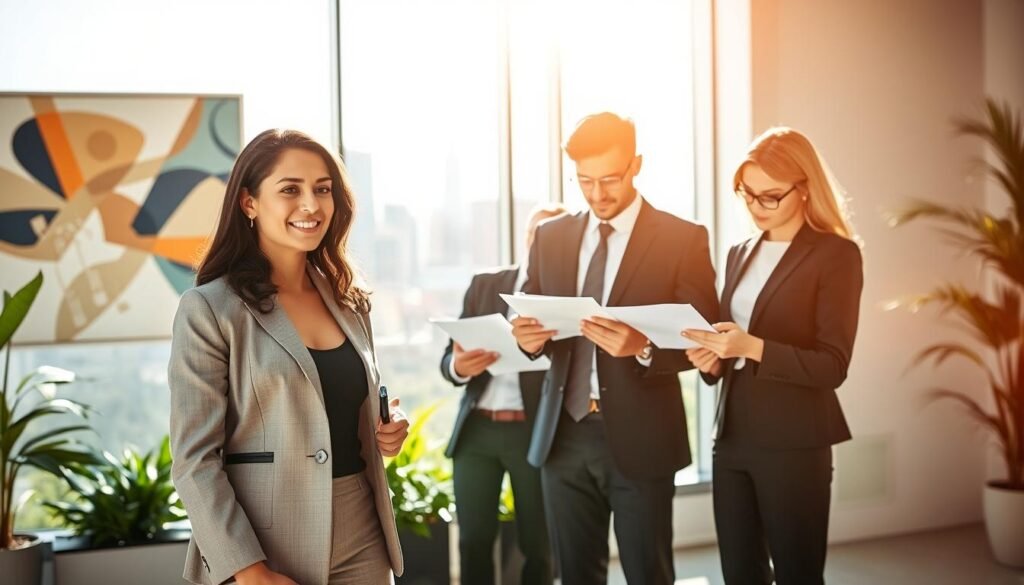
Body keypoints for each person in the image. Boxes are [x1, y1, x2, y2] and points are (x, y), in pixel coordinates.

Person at [168, 129, 409, 585]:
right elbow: (194, 459)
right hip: (263, 541)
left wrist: (387, 426)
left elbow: (337, 402)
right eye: (290, 190)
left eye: (322, 189)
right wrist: (248, 570)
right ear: (249, 203)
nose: (312, 205)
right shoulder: (210, 309)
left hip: (362, 531)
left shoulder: (350, 301)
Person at [510, 112, 719, 585]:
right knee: (576, 576)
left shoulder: (682, 239)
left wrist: (644, 348)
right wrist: (526, 339)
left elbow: (703, 336)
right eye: (585, 181)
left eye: (610, 179)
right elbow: (528, 310)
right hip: (563, 435)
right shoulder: (552, 236)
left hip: (642, 436)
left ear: (636, 164)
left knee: (649, 573)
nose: (598, 194)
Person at [682, 127, 863, 585]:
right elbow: (731, 343)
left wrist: (753, 347)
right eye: (747, 194)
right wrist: (715, 360)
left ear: (804, 190)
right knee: (739, 573)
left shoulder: (836, 256)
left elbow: (833, 364)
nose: (756, 207)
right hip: (733, 437)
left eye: (770, 196)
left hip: (796, 442)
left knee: (797, 572)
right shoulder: (739, 253)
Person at [440, 202, 567, 585]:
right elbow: (449, 358)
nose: (539, 245)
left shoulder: (566, 301)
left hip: (532, 434)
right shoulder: (486, 284)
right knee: (474, 540)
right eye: (535, 235)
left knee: (537, 543)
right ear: (526, 239)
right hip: (477, 432)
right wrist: (460, 367)